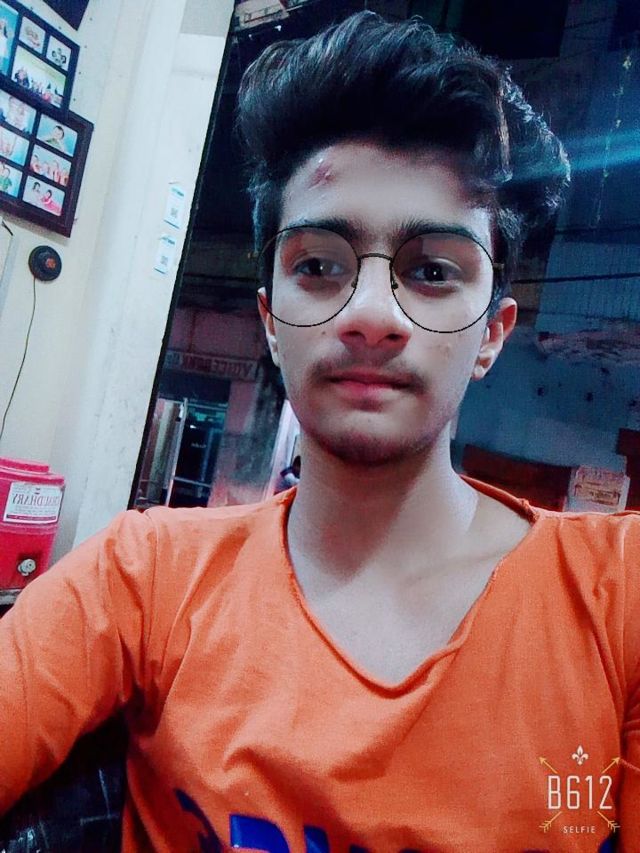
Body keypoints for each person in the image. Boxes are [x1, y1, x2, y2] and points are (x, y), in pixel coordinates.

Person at [0, 11, 638, 852]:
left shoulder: (619, 597)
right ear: (271, 322)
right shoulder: (142, 577)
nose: (370, 313)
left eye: (432, 270)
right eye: (319, 265)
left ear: (492, 331)